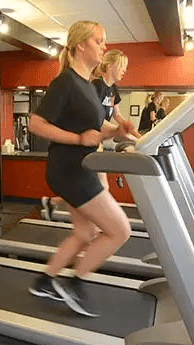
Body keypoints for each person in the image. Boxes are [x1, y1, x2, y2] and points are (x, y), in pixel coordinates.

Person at [27, 21, 134, 316]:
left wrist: (119, 130)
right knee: (120, 230)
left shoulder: (87, 86)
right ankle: (74, 284)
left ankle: (46, 279)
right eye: (99, 41)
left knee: (85, 234)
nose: (103, 47)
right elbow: (35, 124)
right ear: (80, 45)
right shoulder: (65, 82)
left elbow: (99, 127)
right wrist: (76, 138)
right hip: (70, 170)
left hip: (78, 169)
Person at [40, 49, 139, 219]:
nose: (124, 70)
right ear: (109, 66)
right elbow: (97, 120)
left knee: (95, 186)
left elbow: (117, 116)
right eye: (121, 66)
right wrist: (119, 132)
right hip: (86, 142)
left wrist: (137, 135)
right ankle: (97, 220)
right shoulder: (96, 86)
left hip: (97, 142)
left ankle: (55, 203)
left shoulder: (113, 90)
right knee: (98, 187)